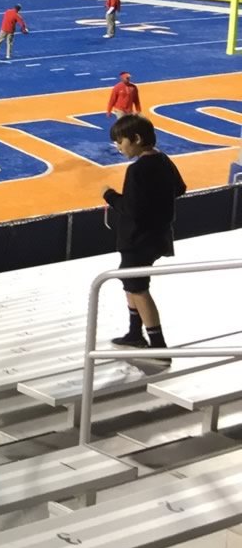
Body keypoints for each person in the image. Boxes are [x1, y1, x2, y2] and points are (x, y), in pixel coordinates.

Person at [103, 114, 186, 349]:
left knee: (138, 288)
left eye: (121, 142)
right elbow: (179, 188)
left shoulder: (137, 171)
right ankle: (134, 332)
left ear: (136, 139)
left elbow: (130, 208)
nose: (119, 147)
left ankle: (158, 345)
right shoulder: (164, 159)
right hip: (158, 235)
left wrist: (109, 195)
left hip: (137, 239)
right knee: (129, 281)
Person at [105, 71, 141, 137]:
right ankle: (120, 137)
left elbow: (136, 99)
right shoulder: (117, 87)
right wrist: (109, 111)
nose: (128, 79)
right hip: (120, 110)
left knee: (129, 125)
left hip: (129, 110)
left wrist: (138, 109)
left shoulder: (133, 87)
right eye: (126, 78)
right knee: (122, 125)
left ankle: (127, 138)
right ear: (122, 78)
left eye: (128, 78)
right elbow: (112, 100)